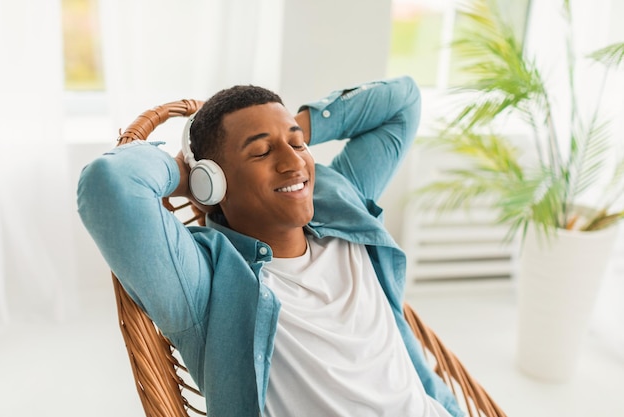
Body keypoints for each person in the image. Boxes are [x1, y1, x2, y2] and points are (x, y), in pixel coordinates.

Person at [77, 75, 464, 417]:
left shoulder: (342, 202)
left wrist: (292, 129)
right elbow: (109, 183)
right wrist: (189, 176)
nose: (293, 164)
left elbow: (403, 101)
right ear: (213, 181)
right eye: (261, 152)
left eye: (297, 145)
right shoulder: (207, 285)